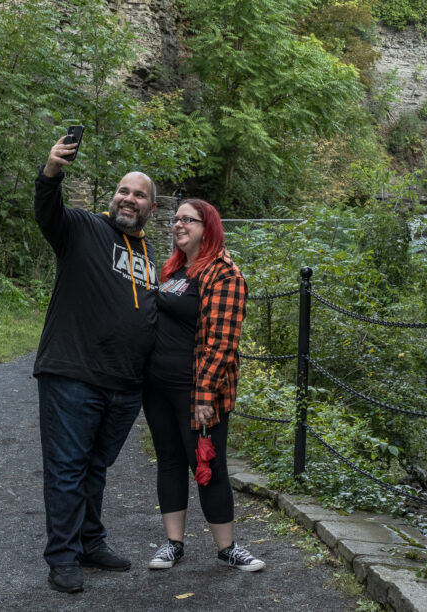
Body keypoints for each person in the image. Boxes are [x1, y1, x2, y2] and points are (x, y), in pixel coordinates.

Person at [33, 135, 159, 593]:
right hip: (73, 374)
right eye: (123, 191)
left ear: (152, 208)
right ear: (113, 197)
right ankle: (62, 557)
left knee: (95, 468)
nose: (129, 198)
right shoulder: (81, 229)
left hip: (124, 386)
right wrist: (52, 170)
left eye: (139, 194)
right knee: (67, 468)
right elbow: (47, 210)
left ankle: (90, 541)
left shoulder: (149, 257)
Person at [142, 198, 265, 572]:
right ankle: (172, 544)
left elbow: (222, 342)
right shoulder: (176, 270)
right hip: (157, 387)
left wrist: (205, 395)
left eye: (188, 220)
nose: (179, 224)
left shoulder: (224, 274)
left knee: (208, 465)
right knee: (169, 462)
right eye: (176, 219)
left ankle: (227, 548)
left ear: (207, 227)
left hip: (195, 391)